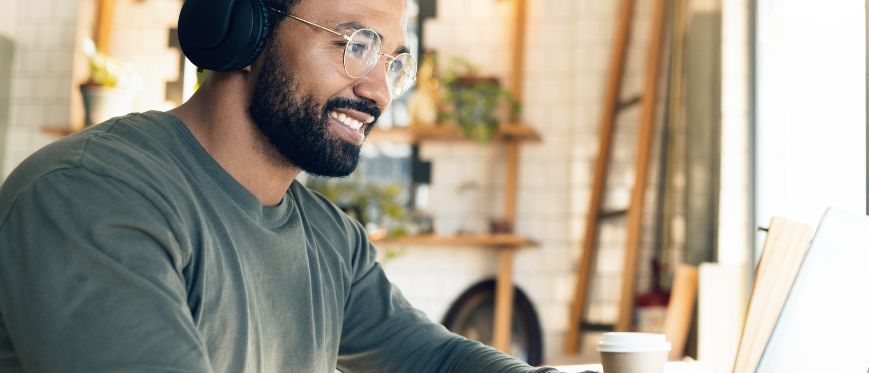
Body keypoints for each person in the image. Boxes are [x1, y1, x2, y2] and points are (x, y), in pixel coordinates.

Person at [0, 0, 558, 371]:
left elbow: (433, 361)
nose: (379, 92)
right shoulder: (87, 195)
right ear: (246, 35)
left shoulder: (332, 241)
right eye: (356, 44)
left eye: (394, 63)